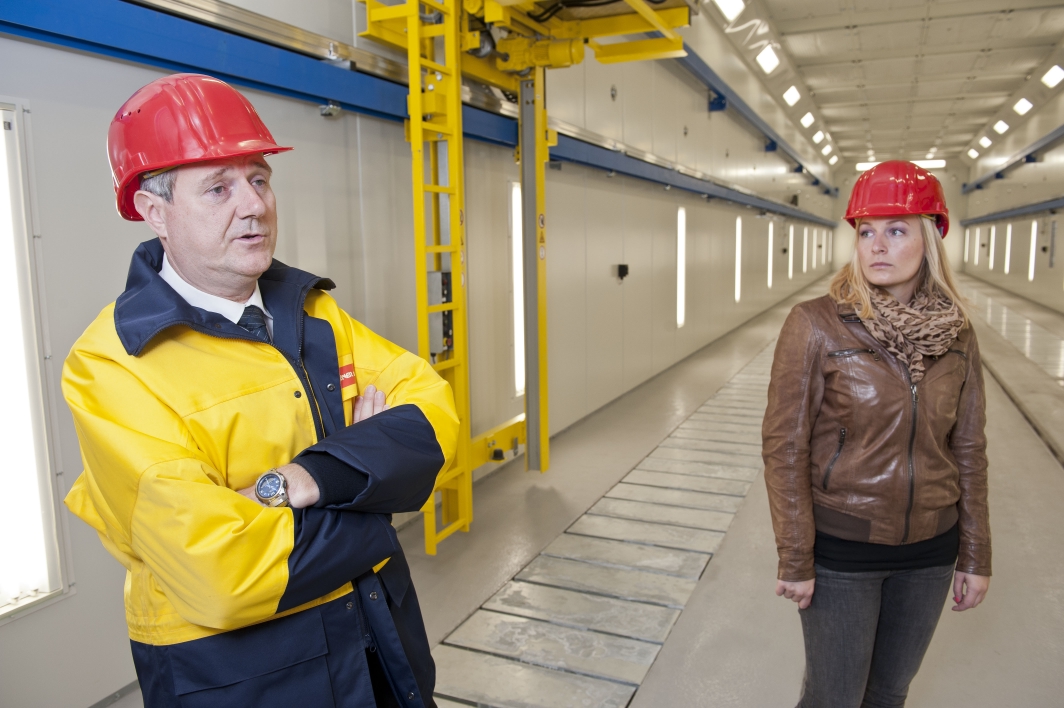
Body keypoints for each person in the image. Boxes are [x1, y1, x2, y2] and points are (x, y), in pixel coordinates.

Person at [62, 73, 458, 707]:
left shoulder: (316, 314)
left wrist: (302, 482)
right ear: (151, 209)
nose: (253, 205)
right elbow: (220, 572)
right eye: (217, 187)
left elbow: (434, 416)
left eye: (259, 179)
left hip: (379, 642)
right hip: (245, 677)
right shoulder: (112, 365)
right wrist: (374, 498)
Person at [762, 160, 991, 708]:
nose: (877, 246)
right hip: (843, 552)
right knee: (834, 697)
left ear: (930, 239)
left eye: (895, 230)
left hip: (931, 552)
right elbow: (784, 446)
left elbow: (968, 448)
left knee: (889, 693)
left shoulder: (957, 333)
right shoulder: (816, 324)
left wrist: (975, 554)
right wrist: (796, 557)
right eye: (866, 231)